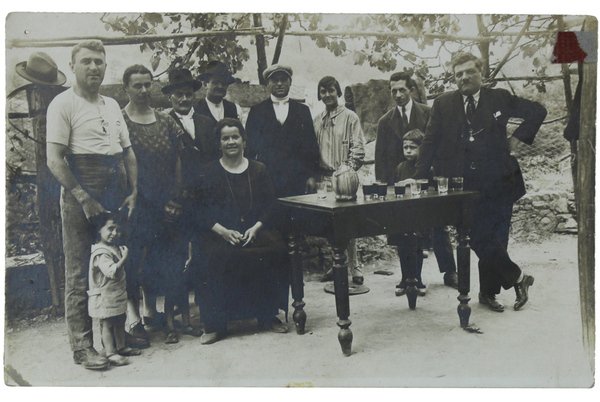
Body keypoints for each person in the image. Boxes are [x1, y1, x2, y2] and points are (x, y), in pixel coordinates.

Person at [415, 52, 547, 312]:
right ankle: (518, 278)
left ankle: (488, 294)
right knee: (476, 237)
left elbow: (537, 112)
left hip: (500, 181)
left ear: (481, 73)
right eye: (458, 74)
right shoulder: (443, 104)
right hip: (464, 187)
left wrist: (516, 139)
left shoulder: (499, 98)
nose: (464, 77)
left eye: (469, 72)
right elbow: (429, 142)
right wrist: (419, 177)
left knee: (497, 238)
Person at [46, 39, 138, 370]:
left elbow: (127, 152)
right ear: (72, 66)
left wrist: (133, 192)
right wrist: (82, 197)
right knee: (79, 270)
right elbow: (54, 159)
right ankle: (83, 347)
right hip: (80, 191)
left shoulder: (111, 105)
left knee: (116, 260)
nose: (94, 67)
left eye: (99, 61)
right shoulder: (62, 103)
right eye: (86, 61)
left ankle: (117, 340)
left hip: (115, 189)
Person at [194, 118, 290, 345]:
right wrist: (222, 231)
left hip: (252, 231)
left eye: (235, 137)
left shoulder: (259, 169)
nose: (231, 142)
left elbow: (270, 205)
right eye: (225, 138)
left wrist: (256, 227)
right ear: (219, 143)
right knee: (212, 256)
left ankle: (267, 315)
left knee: (275, 250)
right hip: (221, 234)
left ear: (244, 141)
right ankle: (216, 324)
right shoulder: (208, 171)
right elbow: (199, 209)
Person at [375, 72, 458, 289]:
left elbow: (441, 146)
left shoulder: (428, 113)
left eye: (402, 90)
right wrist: (384, 187)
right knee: (402, 229)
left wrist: (437, 175)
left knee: (438, 225)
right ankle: (409, 277)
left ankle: (450, 271)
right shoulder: (385, 122)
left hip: (428, 179)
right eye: (393, 91)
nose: (398, 95)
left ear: (411, 90)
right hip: (400, 182)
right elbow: (381, 158)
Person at [121, 64, 185, 342]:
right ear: (126, 88)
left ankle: (157, 314)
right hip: (136, 202)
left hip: (165, 203)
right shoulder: (120, 121)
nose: (144, 90)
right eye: (137, 85)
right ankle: (133, 318)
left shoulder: (165, 120)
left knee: (163, 259)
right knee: (134, 259)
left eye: (148, 84)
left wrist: (176, 197)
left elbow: (178, 159)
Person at [313, 75, 366, 285]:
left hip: (345, 177)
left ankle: (355, 266)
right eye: (323, 91)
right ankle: (336, 264)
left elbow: (358, 149)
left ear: (338, 92)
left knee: (349, 223)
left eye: (331, 90)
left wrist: (347, 171)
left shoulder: (350, 117)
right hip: (324, 178)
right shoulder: (317, 120)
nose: (327, 95)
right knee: (330, 224)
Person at [245, 64, 320, 203]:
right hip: (266, 179)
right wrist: (252, 177)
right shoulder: (257, 111)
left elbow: (311, 146)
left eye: (283, 80)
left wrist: (311, 176)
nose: (279, 83)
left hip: (297, 179)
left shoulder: (302, 111)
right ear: (268, 83)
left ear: (290, 82)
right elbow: (249, 147)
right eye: (275, 80)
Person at [144, 199, 202, 344]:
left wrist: (189, 257)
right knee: (170, 296)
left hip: (180, 261)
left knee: (183, 294)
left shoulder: (183, 223)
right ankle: (170, 329)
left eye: (177, 209)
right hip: (164, 264)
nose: (173, 212)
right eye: (170, 207)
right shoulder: (158, 223)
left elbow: (189, 241)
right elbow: (151, 247)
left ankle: (187, 324)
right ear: (164, 205)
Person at [88, 212, 141, 367]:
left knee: (119, 320)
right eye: (110, 229)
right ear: (99, 229)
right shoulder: (100, 252)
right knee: (107, 323)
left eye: (117, 230)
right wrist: (124, 258)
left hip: (115, 294)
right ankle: (110, 352)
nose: (115, 233)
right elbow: (111, 272)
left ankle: (121, 346)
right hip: (104, 296)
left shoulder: (112, 247)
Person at [163, 68, 218, 197]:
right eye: (179, 94)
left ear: (194, 96)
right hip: (178, 191)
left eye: (188, 94)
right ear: (169, 97)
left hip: (207, 190)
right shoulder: (165, 123)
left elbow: (215, 156)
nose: (184, 99)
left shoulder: (207, 122)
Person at [391, 129, 429, 296]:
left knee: (417, 248)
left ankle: (417, 279)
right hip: (402, 214)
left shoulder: (426, 167)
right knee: (402, 247)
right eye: (405, 147)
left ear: (421, 148)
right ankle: (404, 278)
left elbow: (430, 189)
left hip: (420, 215)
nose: (408, 151)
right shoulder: (400, 167)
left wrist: (414, 183)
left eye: (412, 147)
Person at [196, 60, 243, 125]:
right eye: (215, 83)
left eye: (224, 83)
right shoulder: (195, 109)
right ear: (205, 84)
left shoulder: (235, 109)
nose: (220, 86)